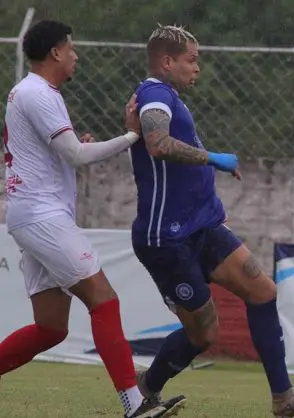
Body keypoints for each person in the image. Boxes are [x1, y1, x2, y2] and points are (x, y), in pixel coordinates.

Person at [129, 24, 294, 417]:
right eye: (191, 60)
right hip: (168, 238)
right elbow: (157, 143)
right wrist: (213, 158)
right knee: (204, 334)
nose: (197, 68)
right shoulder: (155, 94)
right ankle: (146, 386)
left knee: (263, 291)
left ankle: (284, 397)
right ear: (167, 61)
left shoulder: (167, 96)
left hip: (203, 227)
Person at [0, 20, 184, 418]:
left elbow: (60, 154)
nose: (76, 56)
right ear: (55, 53)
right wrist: (131, 136)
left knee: (51, 328)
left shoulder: (32, 92)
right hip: (43, 216)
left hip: (33, 215)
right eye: (71, 48)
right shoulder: (38, 93)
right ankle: (134, 404)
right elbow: (75, 155)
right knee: (104, 300)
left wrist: (79, 149)